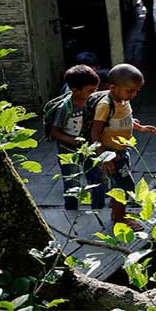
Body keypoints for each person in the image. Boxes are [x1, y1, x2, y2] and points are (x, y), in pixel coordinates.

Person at [88, 64, 156, 230]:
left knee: (120, 185)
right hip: (111, 154)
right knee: (125, 186)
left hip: (123, 150)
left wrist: (141, 128)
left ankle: (118, 213)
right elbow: (95, 134)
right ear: (113, 87)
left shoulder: (122, 100)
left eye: (137, 91)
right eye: (130, 91)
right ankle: (120, 219)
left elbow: (124, 120)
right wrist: (103, 157)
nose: (134, 94)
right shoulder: (105, 105)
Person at [48, 65, 100, 211]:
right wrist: (74, 141)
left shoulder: (93, 102)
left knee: (97, 180)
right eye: (90, 91)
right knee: (72, 184)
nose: (94, 93)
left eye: (95, 90)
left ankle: (99, 209)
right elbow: (55, 132)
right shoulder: (64, 108)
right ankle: (71, 212)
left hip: (89, 149)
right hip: (68, 152)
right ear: (75, 90)